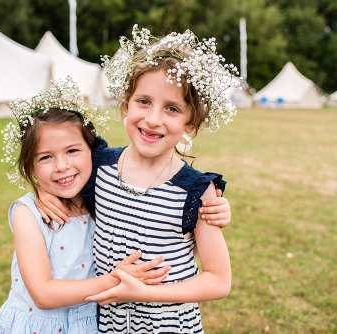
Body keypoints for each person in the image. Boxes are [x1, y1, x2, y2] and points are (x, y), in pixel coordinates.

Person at [38, 25, 240, 333]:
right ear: (125, 104)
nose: (153, 119)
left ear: (190, 123)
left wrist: (145, 292)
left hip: (169, 325)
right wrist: (44, 192)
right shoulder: (99, 165)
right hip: (108, 325)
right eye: (143, 101)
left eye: (172, 108)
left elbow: (218, 280)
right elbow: (62, 173)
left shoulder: (197, 192)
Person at [0, 77, 172, 334]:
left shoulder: (102, 199)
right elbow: (43, 293)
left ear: (92, 152)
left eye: (72, 151)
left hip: (91, 326)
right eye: (46, 157)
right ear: (30, 167)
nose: (62, 165)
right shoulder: (28, 214)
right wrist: (117, 280)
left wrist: (209, 204)